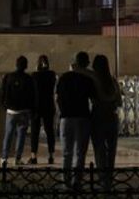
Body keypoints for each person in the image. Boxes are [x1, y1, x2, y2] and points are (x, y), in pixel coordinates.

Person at [55, 51, 96, 190]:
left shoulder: (64, 77)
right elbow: (93, 99)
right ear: (87, 64)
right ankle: (76, 182)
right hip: (82, 118)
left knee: (66, 153)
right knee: (80, 153)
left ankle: (65, 182)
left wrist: (62, 111)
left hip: (66, 118)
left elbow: (57, 97)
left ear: (75, 63)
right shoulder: (87, 79)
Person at [90, 54, 122, 191]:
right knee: (111, 149)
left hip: (97, 117)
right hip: (112, 117)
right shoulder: (113, 81)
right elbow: (119, 101)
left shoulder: (94, 81)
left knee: (99, 149)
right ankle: (109, 178)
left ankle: (102, 177)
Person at [0, 55, 36, 167]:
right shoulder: (28, 79)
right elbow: (32, 96)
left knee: (8, 134)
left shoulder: (8, 77)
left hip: (11, 111)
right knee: (21, 136)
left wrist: (5, 106)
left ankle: (4, 158)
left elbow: (4, 92)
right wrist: (32, 110)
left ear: (16, 64)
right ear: (26, 66)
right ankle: (17, 158)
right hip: (23, 111)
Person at [28, 55, 57, 165]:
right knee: (50, 131)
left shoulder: (34, 75)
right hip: (48, 105)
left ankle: (34, 156)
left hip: (36, 106)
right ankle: (51, 156)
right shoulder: (52, 75)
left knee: (34, 132)